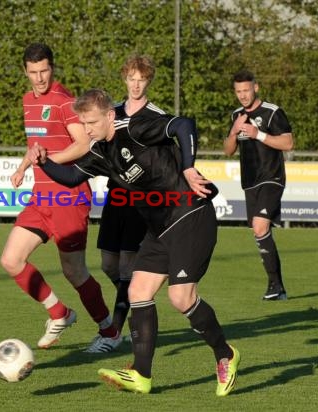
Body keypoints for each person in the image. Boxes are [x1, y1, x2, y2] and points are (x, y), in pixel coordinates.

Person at [29, 88, 240, 396]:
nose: (86, 130)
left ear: (109, 117)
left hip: (190, 214)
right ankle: (141, 375)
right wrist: (44, 161)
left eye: (91, 122)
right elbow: (73, 177)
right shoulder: (101, 151)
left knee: (181, 298)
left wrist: (188, 166)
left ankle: (226, 354)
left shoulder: (135, 128)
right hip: (160, 227)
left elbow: (184, 125)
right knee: (138, 290)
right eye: (83, 124)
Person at [0, 43, 121, 353]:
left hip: (68, 196)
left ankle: (110, 330)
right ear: (25, 72)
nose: (39, 78)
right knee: (11, 260)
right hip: (40, 196)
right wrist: (23, 167)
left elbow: (82, 145)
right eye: (33, 72)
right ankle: (59, 313)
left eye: (44, 71)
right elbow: (36, 146)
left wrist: (48, 161)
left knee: (74, 271)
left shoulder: (65, 102)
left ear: (52, 69)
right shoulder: (28, 100)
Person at [97, 55, 157, 335]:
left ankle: (115, 332)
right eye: (131, 78)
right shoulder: (113, 113)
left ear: (148, 81)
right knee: (108, 264)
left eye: (141, 79)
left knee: (125, 266)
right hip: (115, 196)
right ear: (125, 79)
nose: (136, 84)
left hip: (140, 201)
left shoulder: (156, 116)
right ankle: (134, 295)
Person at [224, 69, 294, 301]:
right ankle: (278, 287)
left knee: (260, 227)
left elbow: (288, 142)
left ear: (256, 87)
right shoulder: (237, 115)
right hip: (250, 182)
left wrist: (258, 134)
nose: (242, 95)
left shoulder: (272, 113)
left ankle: (276, 286)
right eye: (238, 92)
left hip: (272, 178)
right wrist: (234, 132)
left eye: (246, 90)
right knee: (260, 232)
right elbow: (228, 150)